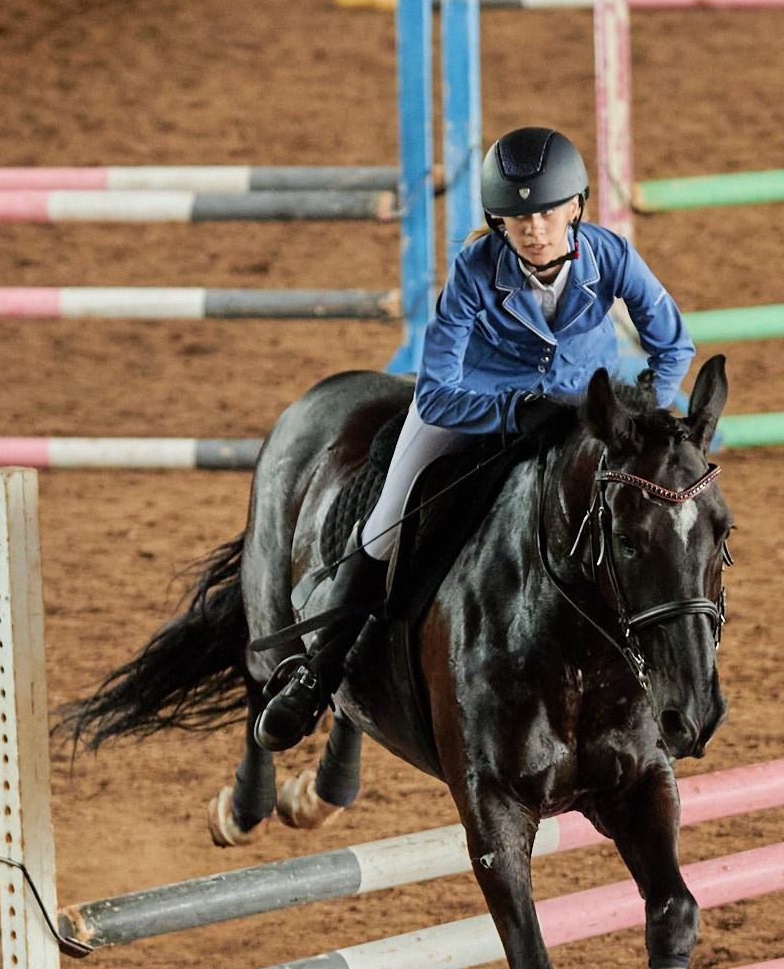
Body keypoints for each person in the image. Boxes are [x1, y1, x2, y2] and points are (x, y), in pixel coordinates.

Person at [253, 126, 696, 753]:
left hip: (581, 412)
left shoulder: (612, 257)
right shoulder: (475, 269)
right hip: (474, 408)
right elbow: (434, 393)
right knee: (384, 525)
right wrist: (514, 410)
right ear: (497, 220)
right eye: (517, 217)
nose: (534, 228)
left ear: (576, 206)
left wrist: (644, 408)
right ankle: (317, 672)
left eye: (546, 211)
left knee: (665, 510)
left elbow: (673, 345)